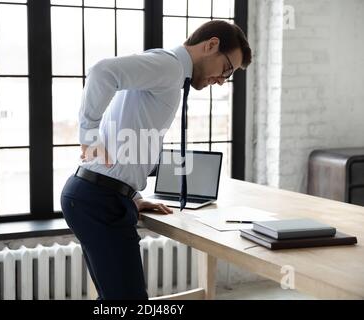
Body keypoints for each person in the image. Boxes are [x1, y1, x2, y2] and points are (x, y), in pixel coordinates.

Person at [61, 20, 252, 300]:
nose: (222, 81)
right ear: (211, 45)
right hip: (99, 200)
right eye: (225, 69)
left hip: (103, 196)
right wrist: (89, 135)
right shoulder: (170, 66)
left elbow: (132, 135)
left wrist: (132, 195)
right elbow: (103, 71)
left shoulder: (171, 74)